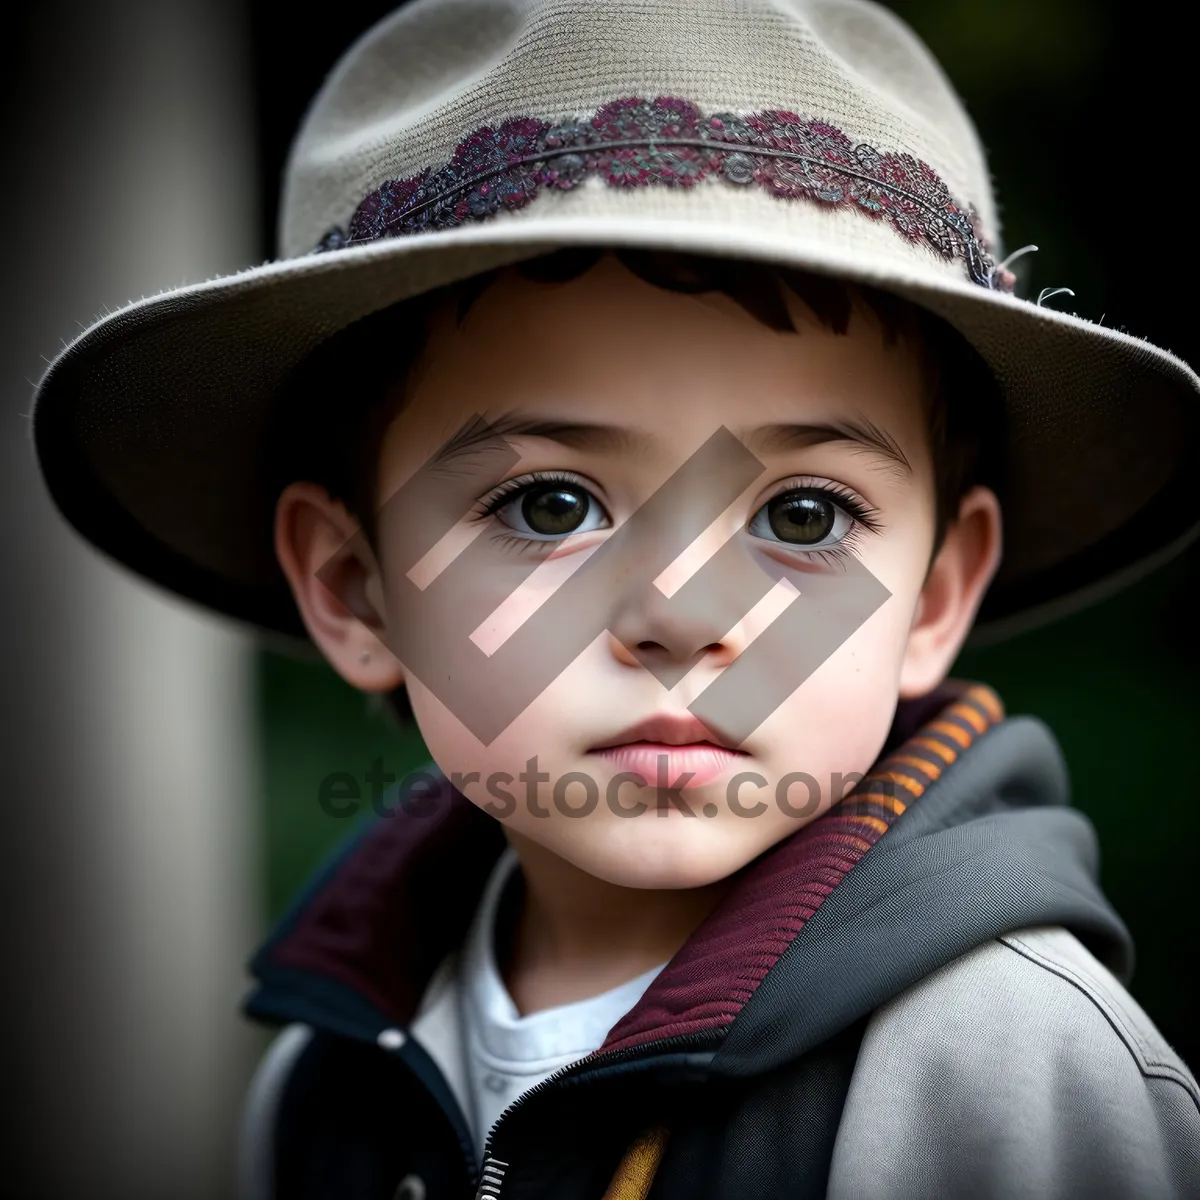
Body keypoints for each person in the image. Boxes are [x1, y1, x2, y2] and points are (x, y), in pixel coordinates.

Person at [30, 0, 1200, 1196]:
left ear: (937, 597)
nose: (685, 619)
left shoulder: (1002, 1074)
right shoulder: (325, 1074)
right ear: (355, 589)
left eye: (803, 517)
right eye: (550, 506)